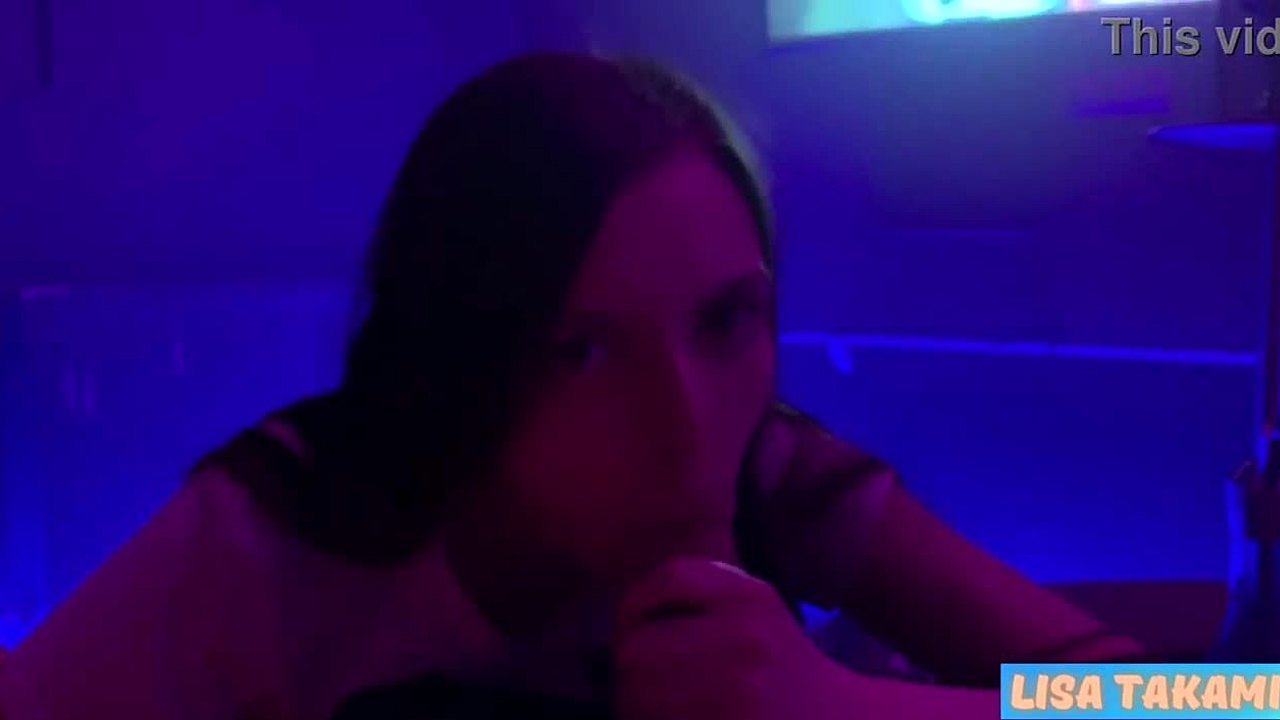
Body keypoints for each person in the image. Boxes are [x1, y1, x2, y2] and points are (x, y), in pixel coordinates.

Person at [0, 52, 1148, 720]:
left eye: (724, 321)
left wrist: (841, 706)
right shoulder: (283, 536)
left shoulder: (776, 475)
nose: (686, 425)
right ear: (462, 362)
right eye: (586, 351)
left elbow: (1193, 706)